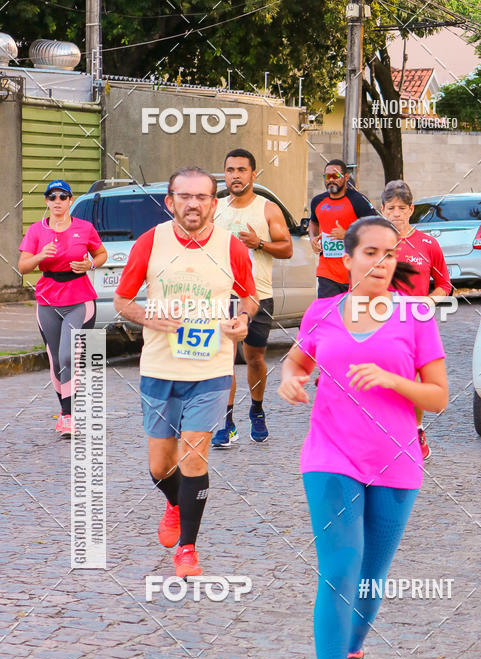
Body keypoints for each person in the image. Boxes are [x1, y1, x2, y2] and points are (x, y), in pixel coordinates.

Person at [278, 216, 448, 659]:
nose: (381, 262)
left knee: (371, 575)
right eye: (370, 252)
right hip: (330, 455)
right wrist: (289, 379)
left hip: (397, 460)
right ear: (346, 259)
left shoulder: (415, 314)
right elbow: (297, 361)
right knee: (340, 568)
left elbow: (438, 397)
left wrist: (393, 380)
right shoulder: (323, 311)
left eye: (390, 254)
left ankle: (354, 656)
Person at [113, 167, 256, 578]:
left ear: (214, 203)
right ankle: (174, 503)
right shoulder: (150, 243)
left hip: (211, 368)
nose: (193, 204)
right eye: (184, 196)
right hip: (159, 367)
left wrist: (242, 322)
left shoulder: (231, 248)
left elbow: (248, 299)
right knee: (161, 466)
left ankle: (187, 549)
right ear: (170, 201)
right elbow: (123, 301)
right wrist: (151, 317)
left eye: (201, 197)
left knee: (193, 454)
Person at [212, 148, 292, 447]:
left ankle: (256, 410)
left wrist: (259, 243)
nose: (235, 175)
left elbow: (287, 248)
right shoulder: (214, 208)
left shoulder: (267, 208)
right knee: (224, 359)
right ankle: (226, 419)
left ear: (253, 174)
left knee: (254, 358)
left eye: (241, 170)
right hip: (221, 294)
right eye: (230, 170)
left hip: (258, 294)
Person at [18, 179, 107, 436]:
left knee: (69, 355)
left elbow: (101, 254)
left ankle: (69, 415)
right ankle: (66, 412)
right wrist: (39, 256)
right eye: (52, 197)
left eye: (62, 197)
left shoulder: (85, 227)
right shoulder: (36, 230)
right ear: (47, 201)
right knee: (56, 359)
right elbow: (23, 266)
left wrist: (90, 264)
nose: (57, 201)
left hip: (79, 299)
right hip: (47, 300)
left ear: (70, 201)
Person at [380, 179, 452, 461]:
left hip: (417, 324)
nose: (396, 214)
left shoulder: (428, 244)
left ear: (411, 209)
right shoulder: (374, 244)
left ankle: (416, 430)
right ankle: (382, 433)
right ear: (382, 209)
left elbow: (444, 284)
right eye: (390, 208)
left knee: (414, 381)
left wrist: (429, 300)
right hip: (382, 321)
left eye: (401, 208)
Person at [309, 159, 374, 298]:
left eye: (335, 176)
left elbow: (375, 230)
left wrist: (348, 234)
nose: (330, 180)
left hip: (355, 272)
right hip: (327, 273)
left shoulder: (358, 200)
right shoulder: (318, 201)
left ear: (345, 177)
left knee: (354, 316)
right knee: (328, 315)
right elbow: (313, 222)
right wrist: (312, 238)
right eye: (327, 176)